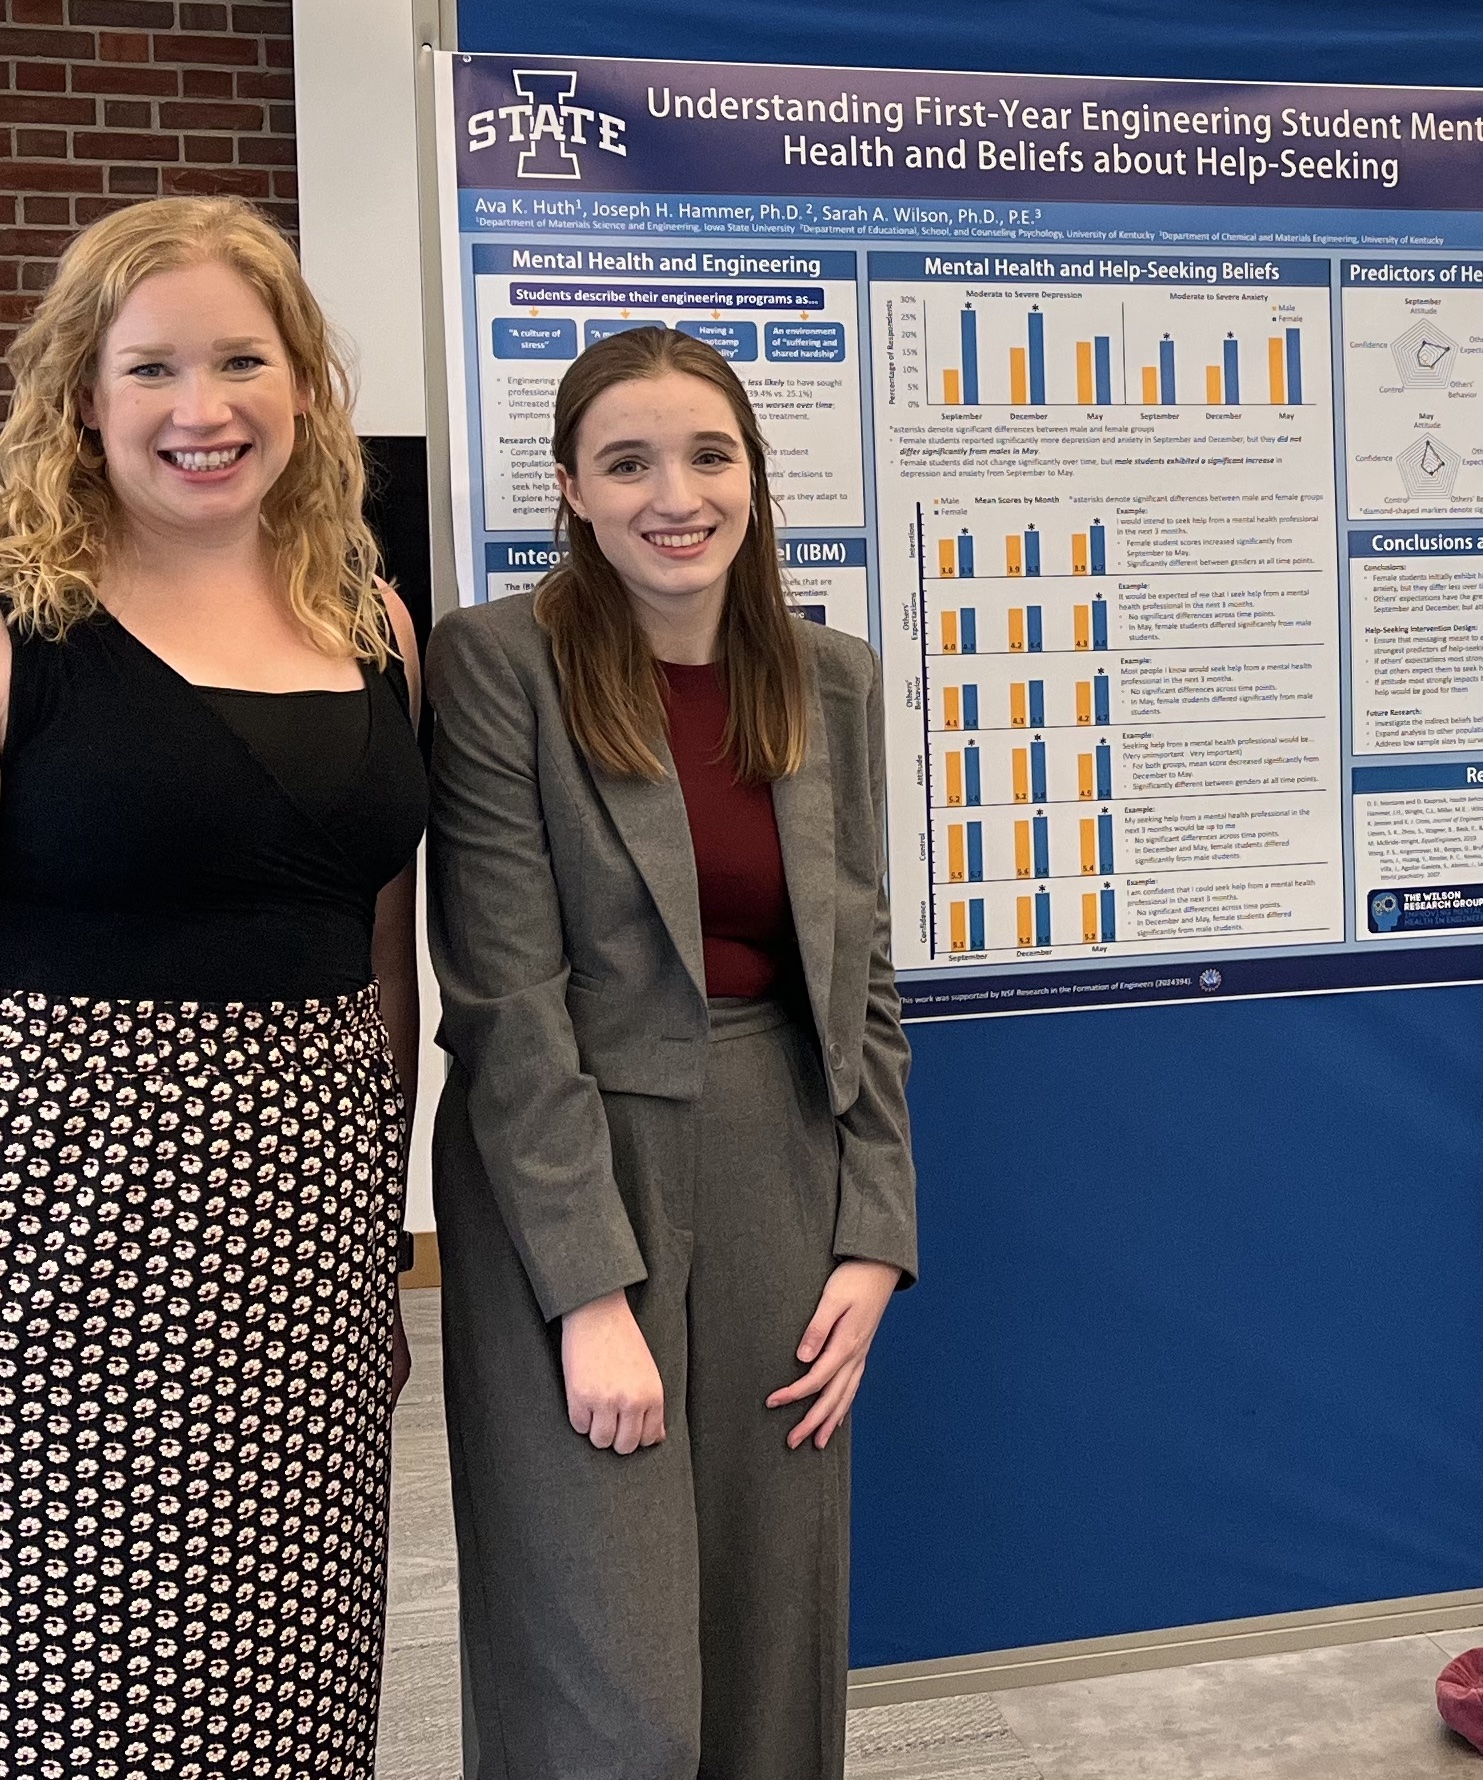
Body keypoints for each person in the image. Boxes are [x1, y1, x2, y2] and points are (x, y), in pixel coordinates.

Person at [427, 324, 918, 1780]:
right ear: (569, 489)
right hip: (575, 1164)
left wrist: (873, 1236)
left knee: (773, 1642)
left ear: (753, 477)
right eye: (625, 461)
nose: (673, 494)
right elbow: (505, 1001)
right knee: (612, 1684)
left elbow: (861, 972)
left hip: (784, 1154)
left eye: (707, 455)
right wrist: (587, 1291)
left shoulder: (828, 678)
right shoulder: (497, 663)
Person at [0, 197, 426, 1777]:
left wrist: (378, 1234)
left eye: (243, 360)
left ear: (303, 385)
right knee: (83, 1664)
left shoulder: (369, 624)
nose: (204, 409)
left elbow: (383, 944)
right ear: (82, 396)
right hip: (67, 1229)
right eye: (154, 368)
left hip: (311, 1223)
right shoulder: (25, 623)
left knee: (298, 1656)